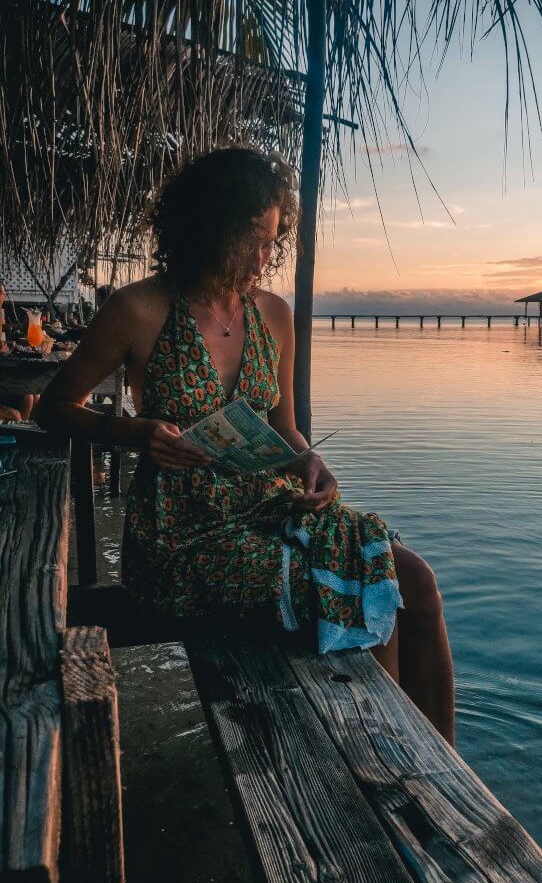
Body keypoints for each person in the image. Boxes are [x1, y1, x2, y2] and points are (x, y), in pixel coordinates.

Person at [37, 147, 455, 745]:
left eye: (273, 240)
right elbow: (55, 407)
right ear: (212, 226)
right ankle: (388, 764)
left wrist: (311, 462)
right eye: (256, 239)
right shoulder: (138, 309)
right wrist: (134, 433)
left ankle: (444, 766)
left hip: (270, 507)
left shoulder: (274, 315)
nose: (266, 255)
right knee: (363, 587)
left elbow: (284, 426)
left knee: (414, 580)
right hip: (184, 534)